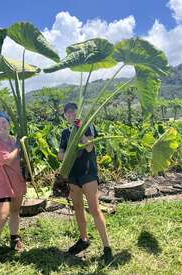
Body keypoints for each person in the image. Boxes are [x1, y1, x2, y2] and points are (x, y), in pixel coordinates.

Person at [58, 102, 113, 264]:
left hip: (88, 174)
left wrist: (80, 130)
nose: (71, 115)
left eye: (73, 112)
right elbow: (60, 156)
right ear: (65, 116)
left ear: (78, 113)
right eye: (68, 113)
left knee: (95, 209)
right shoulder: (65, 133)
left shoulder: (88, 127)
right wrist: (70, 152)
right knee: (78, 208)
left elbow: (89, 148)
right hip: (73, 176)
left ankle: (107, 247)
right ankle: (84, 239)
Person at [0, 111, 26, 264]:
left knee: (15, 211)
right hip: (1, 183)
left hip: (17, 181)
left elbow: (21, 160)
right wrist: (18, 146)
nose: (1, 125)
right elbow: (6, 160)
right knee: (2, 215)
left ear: (9, 123)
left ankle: (15, 239)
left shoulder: (14, 139)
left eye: (4, 122)